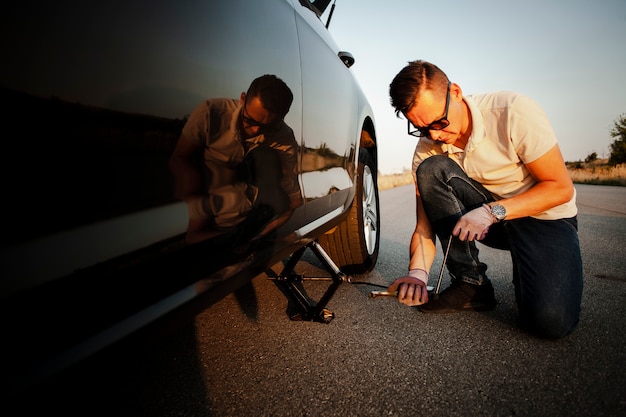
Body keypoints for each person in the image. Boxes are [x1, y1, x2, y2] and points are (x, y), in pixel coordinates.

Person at [387, 60, 583, 339]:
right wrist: (417, 274)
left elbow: (560, 188)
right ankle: (471, 283)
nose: (435, 135)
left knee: (550, 322)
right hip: (490, 221)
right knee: (430, 169)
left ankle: (532, 260)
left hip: (543, 218)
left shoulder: (512, 111)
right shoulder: (428, 147)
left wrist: (492, 212)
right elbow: (424, 227)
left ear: (455, 92)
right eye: (421, 128)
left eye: (439, 122)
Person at [169, 74, 303, 244]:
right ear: (242, 99)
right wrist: (196, 204)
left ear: (282, 118)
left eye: (267, 127)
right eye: (249, 120)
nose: (255, 131)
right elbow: (179, 158)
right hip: (205, 191)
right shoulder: (212, 112)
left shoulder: (283, 136)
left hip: (246, 206)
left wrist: (261, 236)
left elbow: (292, 199)